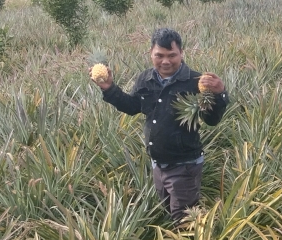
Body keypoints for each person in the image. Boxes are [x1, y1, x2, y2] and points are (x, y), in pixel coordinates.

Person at [92, 28, 228, 224]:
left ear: (181, 53)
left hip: (184, 165)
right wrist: (110, 89)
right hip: (158, 164)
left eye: (172, 55)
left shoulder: (195, 82)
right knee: (168, 210)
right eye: (159, 55)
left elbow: (211, 120)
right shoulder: (146, 79)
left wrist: (219, 94)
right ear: (151, 53)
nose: (165, 61)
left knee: (183, 220)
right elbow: (132, 107)